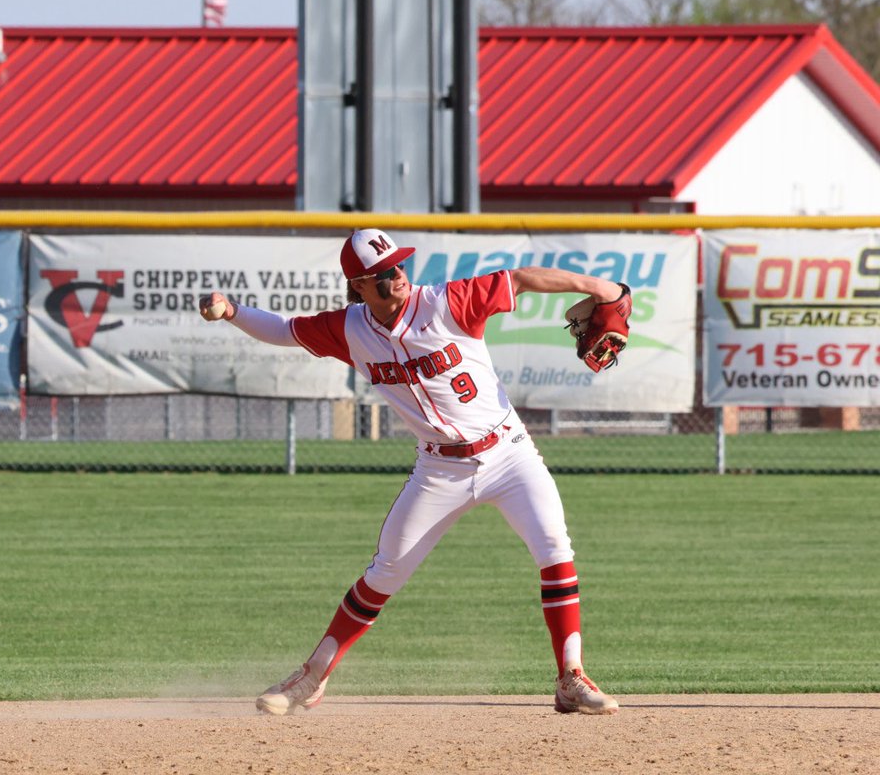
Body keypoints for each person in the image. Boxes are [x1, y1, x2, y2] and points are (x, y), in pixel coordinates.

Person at [198, 229, 625, 716]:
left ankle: (571, 678)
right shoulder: (349, 329)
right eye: (383, 273)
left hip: (509, 454)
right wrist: (232, 312)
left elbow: (524, 278)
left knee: (554, 548)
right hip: (438, 468)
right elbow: (284, 330)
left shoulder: (446, 301)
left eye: (399, 265)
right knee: (386, 572)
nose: (396, 276)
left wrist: (600, 289)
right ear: (358, 285)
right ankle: (312, 677)